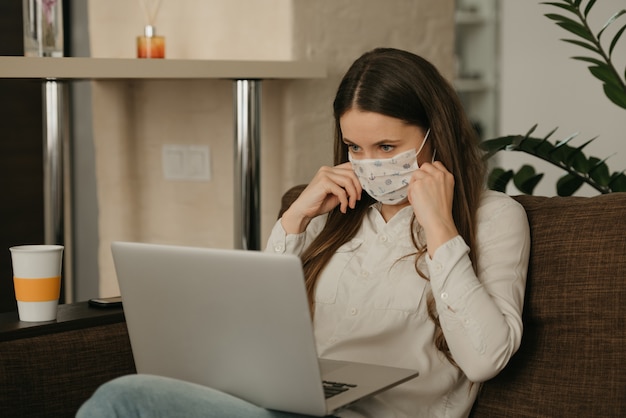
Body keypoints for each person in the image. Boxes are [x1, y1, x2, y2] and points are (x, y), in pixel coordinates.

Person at [77, 47, 530, 418]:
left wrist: (439, 226)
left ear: (436, 132)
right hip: (290, 408)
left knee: (123, 400)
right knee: (129, 395)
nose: (369, 162)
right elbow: (256, 332)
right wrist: (295, 220)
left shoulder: (493, 217)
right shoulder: (341, 214)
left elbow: (485, 358)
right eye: (355, 147)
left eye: (387, 147)